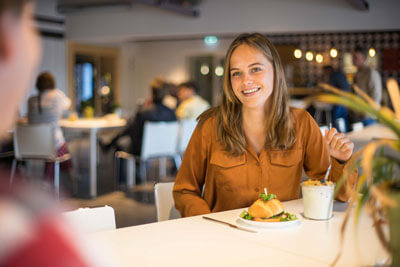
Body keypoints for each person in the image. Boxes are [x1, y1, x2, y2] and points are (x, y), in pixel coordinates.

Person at [173, 33, 357, 217]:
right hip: (225, 238)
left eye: (255, 69)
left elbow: (337, 195)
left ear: (276, 72)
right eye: (236, 73)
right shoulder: (209, 126)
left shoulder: (301, 123)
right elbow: (184, 191)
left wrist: (341, 161)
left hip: (282, 237)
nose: (246, 81)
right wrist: (207, 224)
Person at [0, 1, 108, 266]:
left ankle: (52, 181)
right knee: (64, 151)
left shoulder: (32, 101)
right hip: (52, 144)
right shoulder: (29, 240)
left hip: (28, 148)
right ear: (7, 39)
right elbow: (70, 107)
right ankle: (66, 182)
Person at [101, 77, 177, 157]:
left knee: (122, 142)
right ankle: (109, 143)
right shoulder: (171, 113)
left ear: (152, 93)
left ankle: (110, 144)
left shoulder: (144, 112)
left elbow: (134, 134)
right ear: (166, 94)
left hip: (142, 149)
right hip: (166, 148)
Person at [27, 71, 72, 179]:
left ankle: (67, 174)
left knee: (56, 147)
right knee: (60, 146)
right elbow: (68, 104)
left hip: (30, 146)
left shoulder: (31, 100)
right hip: (51, 146)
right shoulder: (57, 96)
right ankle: (68, 175)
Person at [351, 46, 382, 126]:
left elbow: (376, 96)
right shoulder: (357, 73)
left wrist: (367, 112)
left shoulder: (371, 73)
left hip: (368, 117)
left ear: (364, 58)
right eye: (353, 57)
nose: (353, 59)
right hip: (357, 115)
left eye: (356, 57)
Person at [322, 65, 350, 132]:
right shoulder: (340, 74)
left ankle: (338, 134)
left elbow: (331, 89)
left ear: (328, 70)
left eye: (325, 72)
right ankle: (346, 133)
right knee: (343, 118)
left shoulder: (333, 76)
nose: (325, 73)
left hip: (339, 99)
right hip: (347, 99)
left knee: (337, 118)